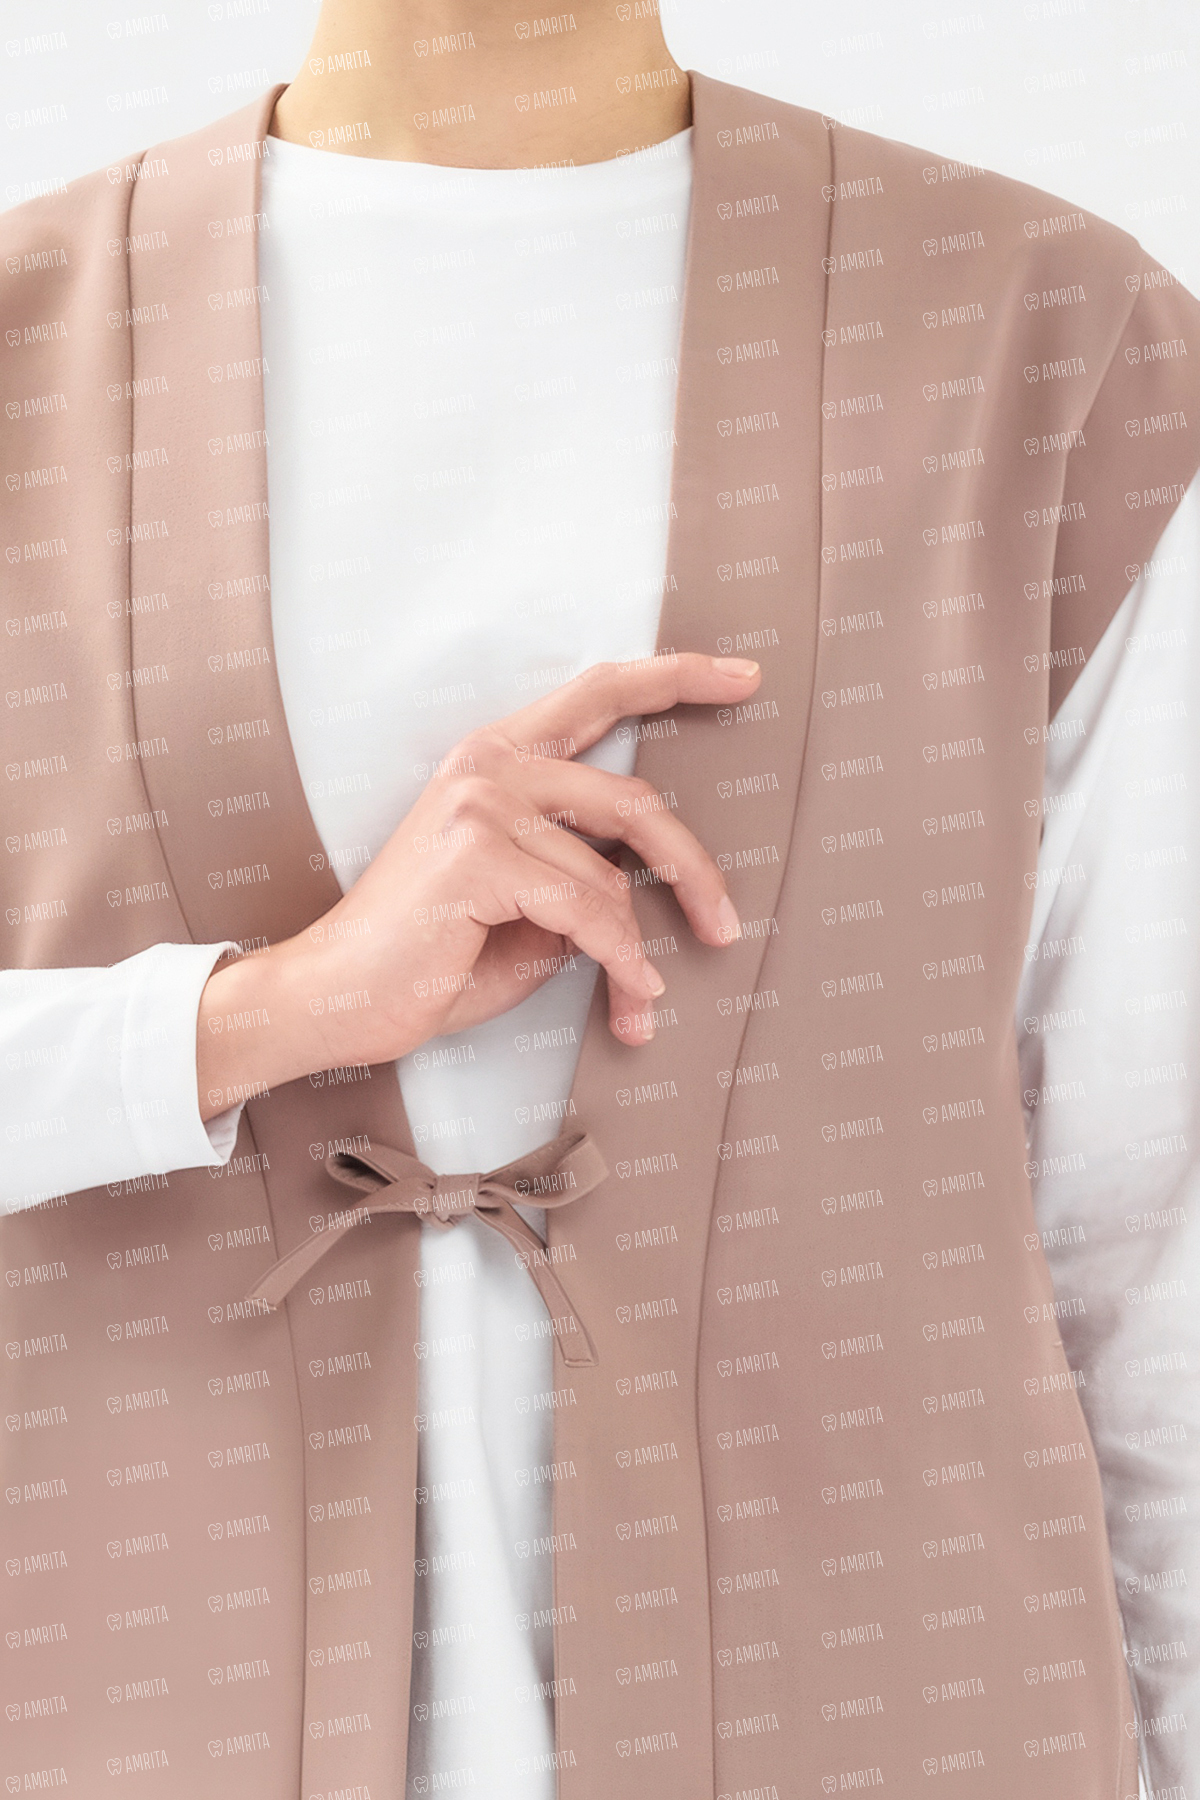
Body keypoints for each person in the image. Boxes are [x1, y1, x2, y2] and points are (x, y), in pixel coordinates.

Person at [2, 3, 1198, 1795]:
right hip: (119, 1695)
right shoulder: (27, 345)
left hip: (895, 1706)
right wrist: (259, 1014)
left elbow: (1155, 1213)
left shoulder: (1051, 339)